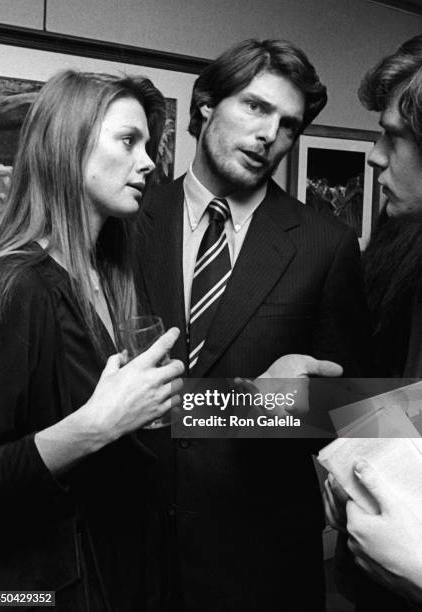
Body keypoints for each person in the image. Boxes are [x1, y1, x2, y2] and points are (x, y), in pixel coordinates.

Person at [134, 38, 371, 611]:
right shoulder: (126, 218)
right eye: (256, 107)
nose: (271, 135)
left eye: (288, 124)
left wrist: (287, 405)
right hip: (130, 548)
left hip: (260, 561)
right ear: (207, 105)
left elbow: (358, 411)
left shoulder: (325, 244)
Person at [0, 69, 185, 611]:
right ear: (68, 147)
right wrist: (97, 425)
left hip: (124, 572)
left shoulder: (112, 277)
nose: (149, 162)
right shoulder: (17, 284)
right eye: (128, 140)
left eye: (149, 145)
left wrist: (272, 399)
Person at [325, 34, 422, 611]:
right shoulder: (398, 253)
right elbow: (401, 405)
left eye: (396, 135)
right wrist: (220, 410)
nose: (375, 155)